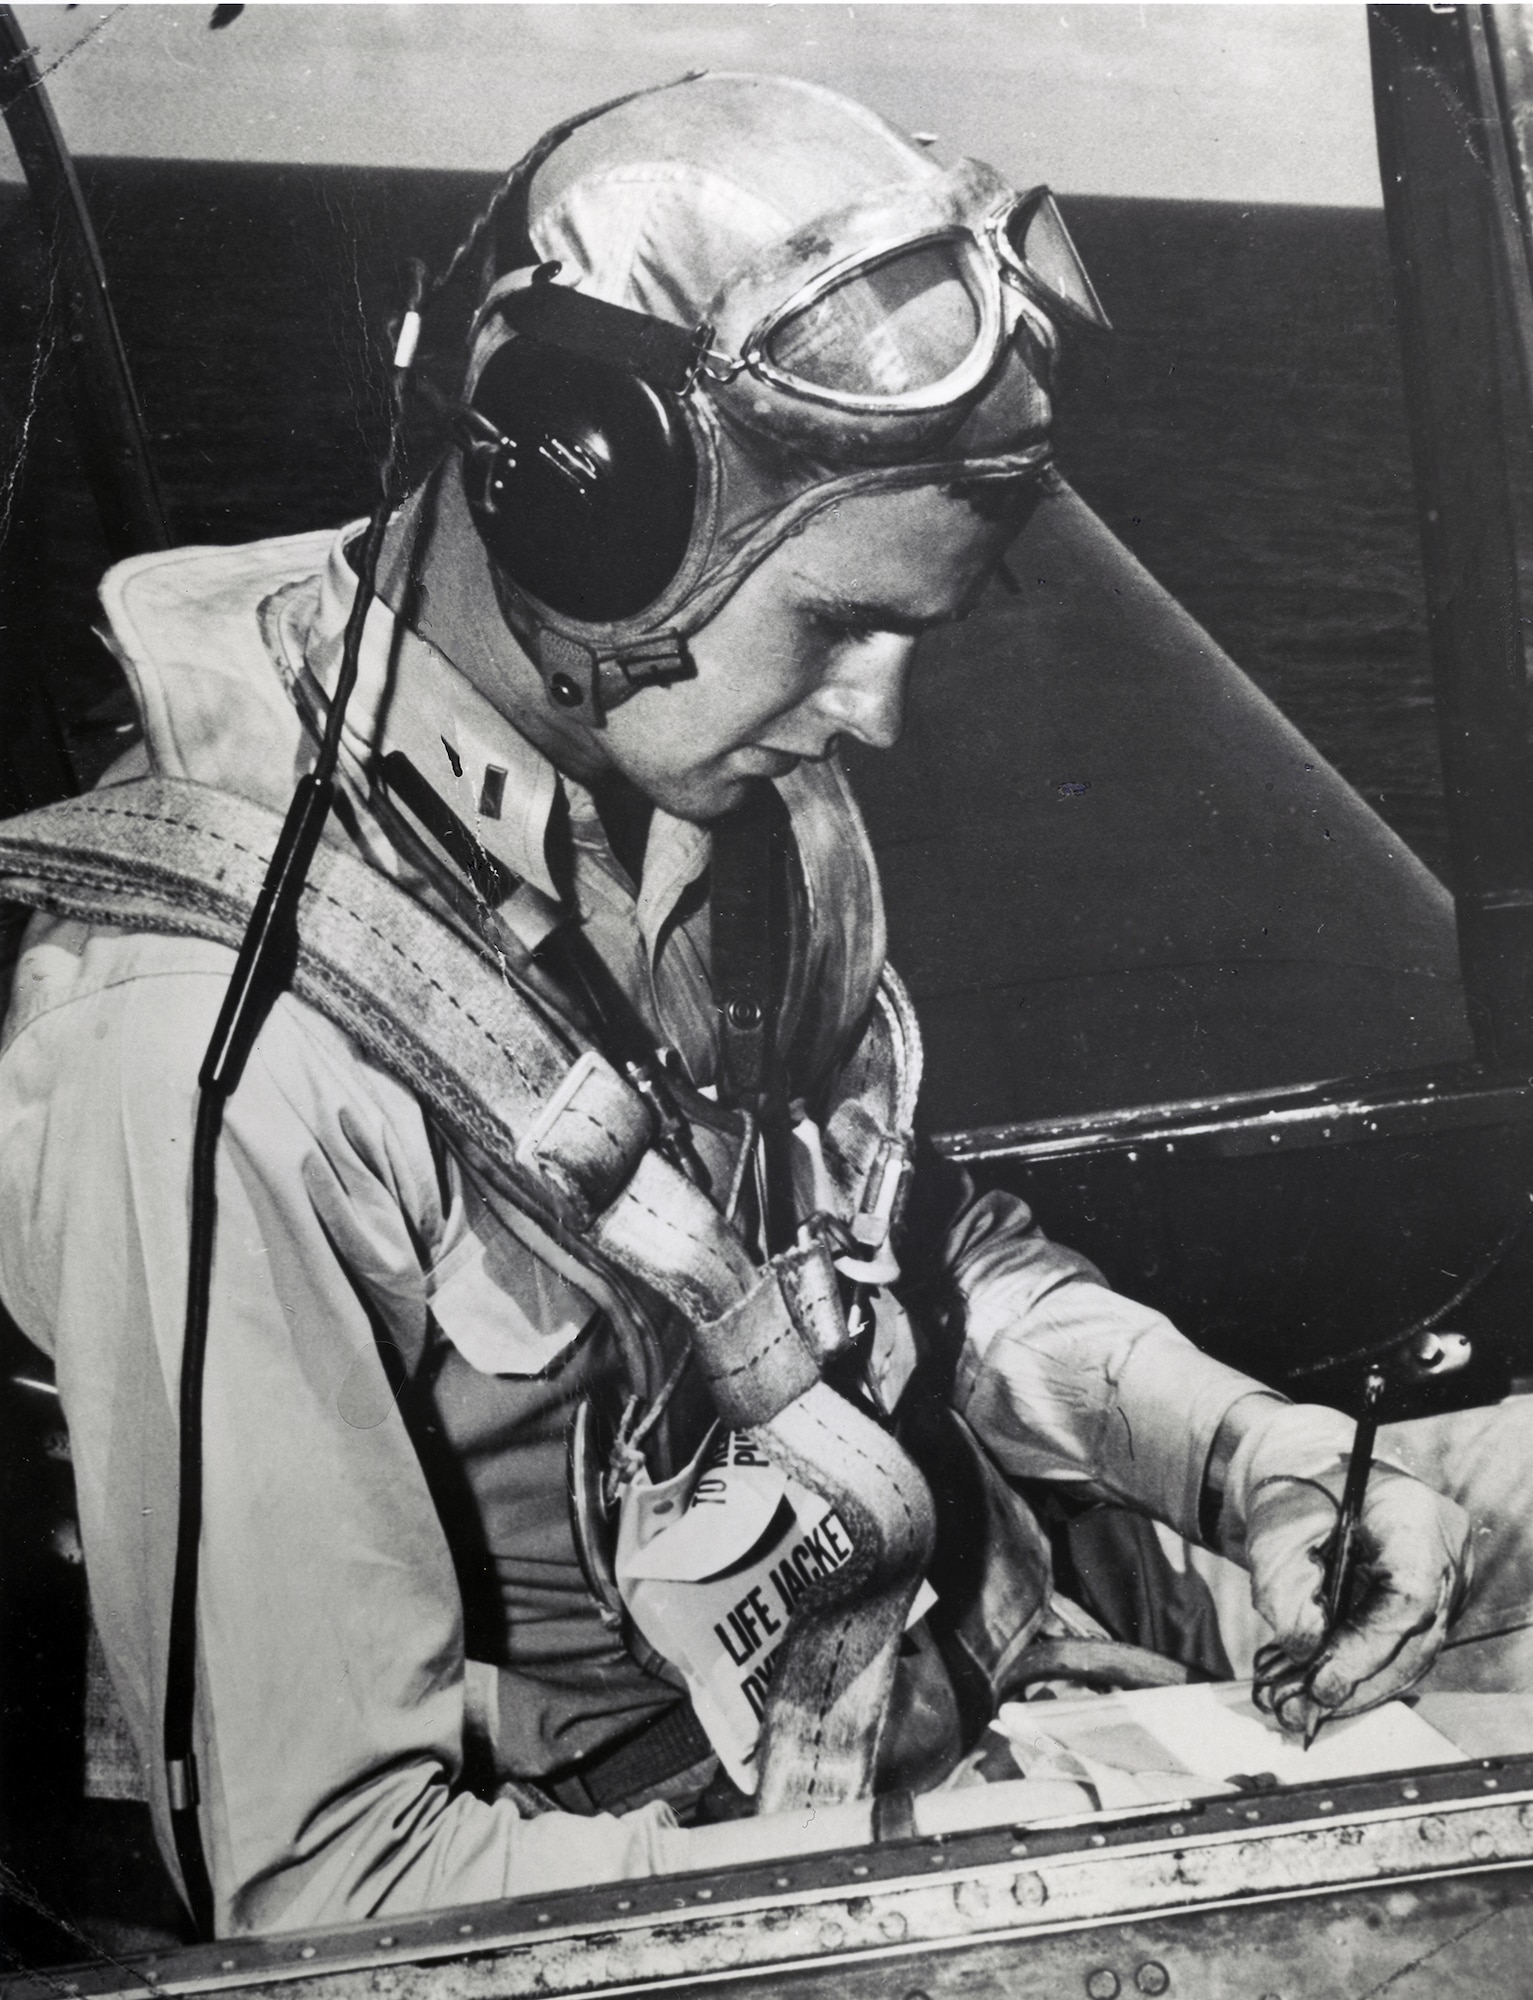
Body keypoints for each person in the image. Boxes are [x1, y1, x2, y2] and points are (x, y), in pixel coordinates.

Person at [1, 70, 1531, 1940]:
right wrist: (1033, 1884)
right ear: (583, 498)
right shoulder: (198, 1049)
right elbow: (331, 1901)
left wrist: (1246, 1458)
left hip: (1004, 1629)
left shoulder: (732, 802)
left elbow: (910, 1266)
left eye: (915, 636)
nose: (876, 719)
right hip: (716, 1860)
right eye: (833, 626)